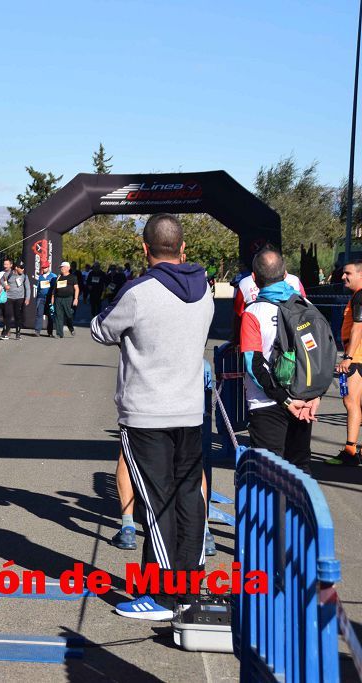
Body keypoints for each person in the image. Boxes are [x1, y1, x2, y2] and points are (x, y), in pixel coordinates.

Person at [91, 213, 213, 621]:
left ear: (145, 249)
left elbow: (102, 330)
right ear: (183, 248)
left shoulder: (139, 292)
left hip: (146, 413)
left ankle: (162, 595)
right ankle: (188, 585)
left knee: (155, 501)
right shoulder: (206, 289)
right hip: (189, 410)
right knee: (187, 497)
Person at [240, 248, 320, 474]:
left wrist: (284, 400)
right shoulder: (306, 306)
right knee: (300, 471)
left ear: (254, 278)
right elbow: (320, 355)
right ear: (286, 275)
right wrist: (315, 395)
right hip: (304, 400)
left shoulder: (253, 313)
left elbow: (253, 365)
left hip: (266, 404)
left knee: (270, 474)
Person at [329, 260, 362, 465]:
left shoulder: (359, 295)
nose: (343, 277)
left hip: (357, 357)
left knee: (350, 402)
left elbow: (358, 327)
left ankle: (350, 451)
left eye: (347, 273)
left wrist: (348, 357)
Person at [0, 257, 30, 340]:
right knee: (8, 315)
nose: (22, 269)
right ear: (16, 267)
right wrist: (5, 285)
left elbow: (28, 288)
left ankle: (18, 334)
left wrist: (27, 298)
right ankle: (7, 332)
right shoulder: (8, 274)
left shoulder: (24, 276)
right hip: (9, 298)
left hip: (19, 298)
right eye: (21, 268)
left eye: (23, 268)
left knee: (17, 316)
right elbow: (1, 281)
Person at [54, 261, 80, 338]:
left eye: (63, 267)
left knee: (69, 315)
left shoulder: (73, 277)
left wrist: (76, 299)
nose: (61, 268)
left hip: (68, 299)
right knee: (58, 316)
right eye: (61, 267)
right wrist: (53, 297)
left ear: (68, 268)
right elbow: (55, 288)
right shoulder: (59, 277)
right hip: (58, 298)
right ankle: (59, 333)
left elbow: (77, 288)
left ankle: (70, 327)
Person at [34, 263, 58, 338]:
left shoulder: (53, 276)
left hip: (50, 298)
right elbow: (38, 288)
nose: (43, 269)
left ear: (48, 267)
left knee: (50, 315)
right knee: (39, 314)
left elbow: (56, 287)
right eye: (43, 268)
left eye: (45, 267)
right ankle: (37, 331)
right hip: (41, 298)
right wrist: (37, 297)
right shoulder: (40, 277)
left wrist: (54, 298)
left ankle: (50, 332)